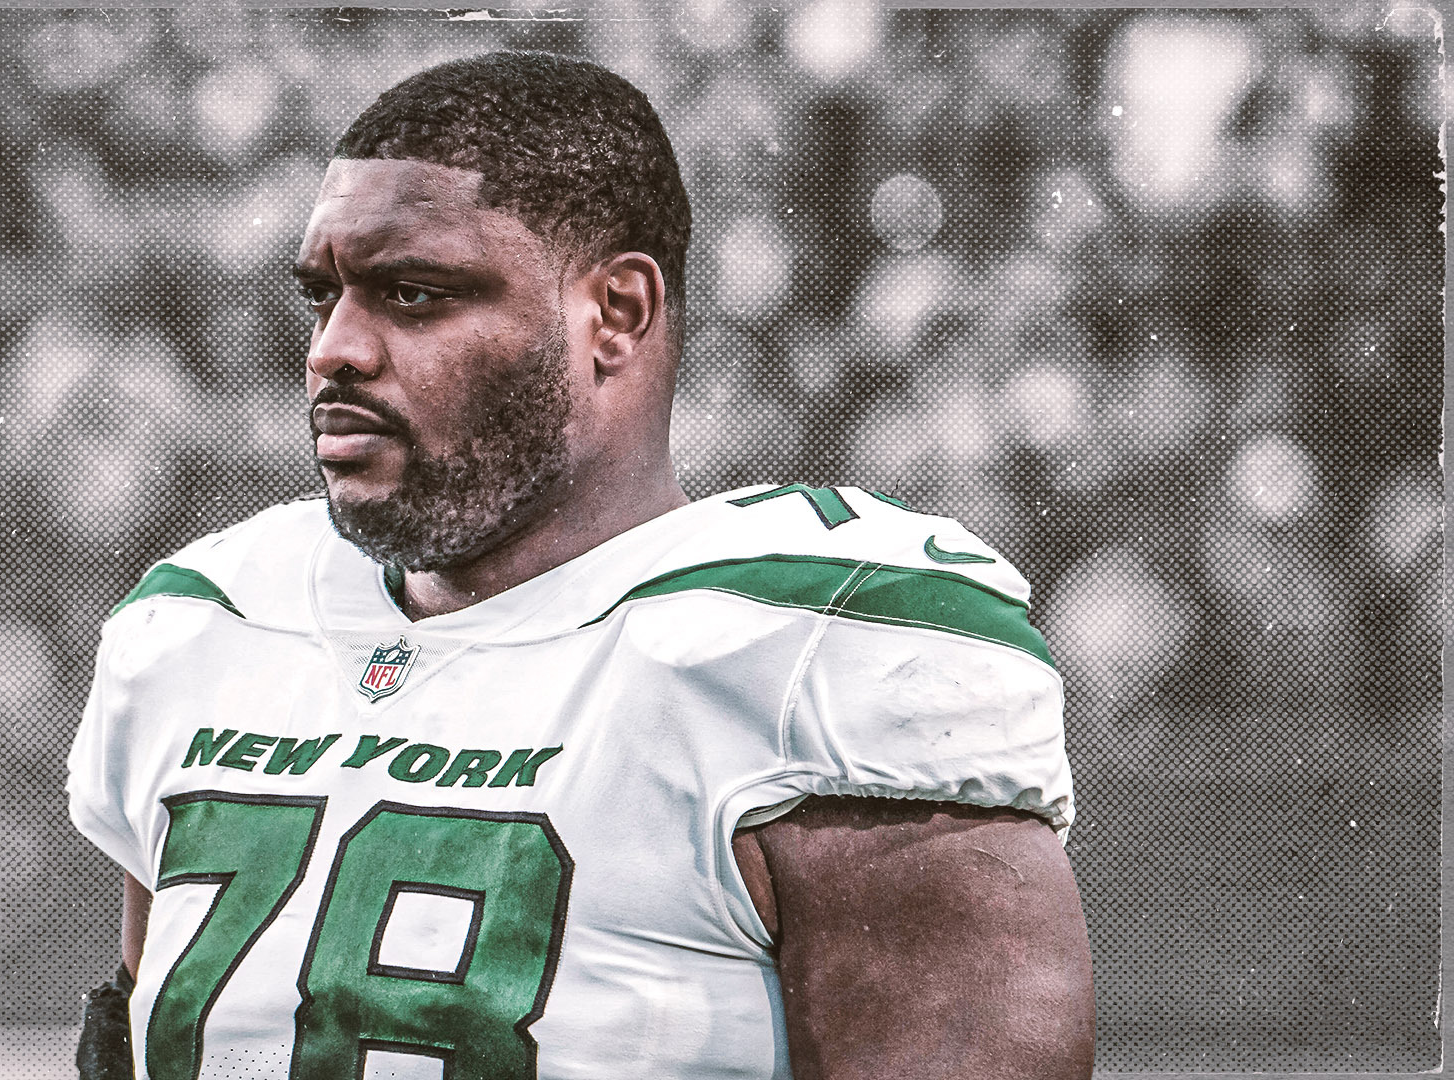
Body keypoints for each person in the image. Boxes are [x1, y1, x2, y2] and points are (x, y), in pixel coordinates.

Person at [67, 49, 1093, 1080]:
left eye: (413, 294)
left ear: (617, 313)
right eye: (322, 296)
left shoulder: (812, 640)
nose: (335, 349)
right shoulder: (209, 620)